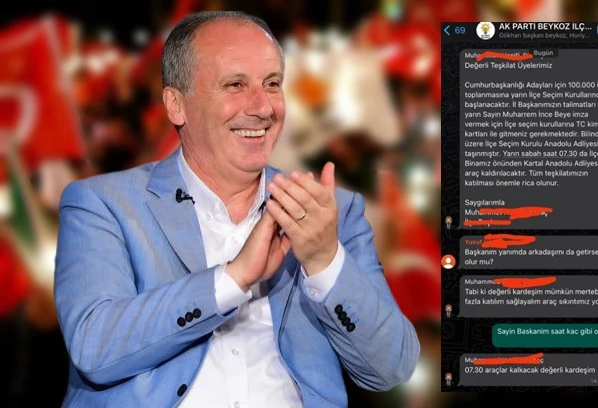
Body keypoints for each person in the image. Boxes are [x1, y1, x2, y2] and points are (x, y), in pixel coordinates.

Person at [54, 11, 419, 408]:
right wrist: (233, 280)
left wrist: (324, 261)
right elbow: (94, 349)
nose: (263, 107)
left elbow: (390, 368)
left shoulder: (329, 212)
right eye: (235, 85)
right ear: (176, 106)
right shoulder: (104, 204)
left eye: (272, 84)